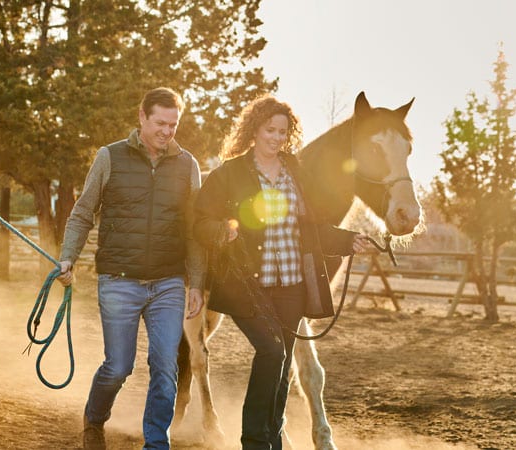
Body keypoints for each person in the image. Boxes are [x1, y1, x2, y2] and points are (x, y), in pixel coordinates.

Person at [192, 94, 371, 449]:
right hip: (248, 286)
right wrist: (221, 231)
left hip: (291, 286)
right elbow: (200, 220)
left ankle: (272, 439)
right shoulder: (229, 173)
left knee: (282, 363)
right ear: (254, 130)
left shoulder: (296, 176)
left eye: (282, 132)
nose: (275, 137)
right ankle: (255, 442)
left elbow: (312, 228)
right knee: (272, 353)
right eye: (269, 129)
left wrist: (346, 240)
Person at [56, 87, 205, 450]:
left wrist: (197, 282)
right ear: (142, 117)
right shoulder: (110, 157)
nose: (167, 131)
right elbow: (83, 212)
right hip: (119, 280)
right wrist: (68, 257)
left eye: (173, 124)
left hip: (168, 282)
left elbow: (196, 231)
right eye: (160, 123)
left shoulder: (188, 166)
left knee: (165, 368)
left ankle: (156, 443)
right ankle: (94, 420)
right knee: (118, 366)